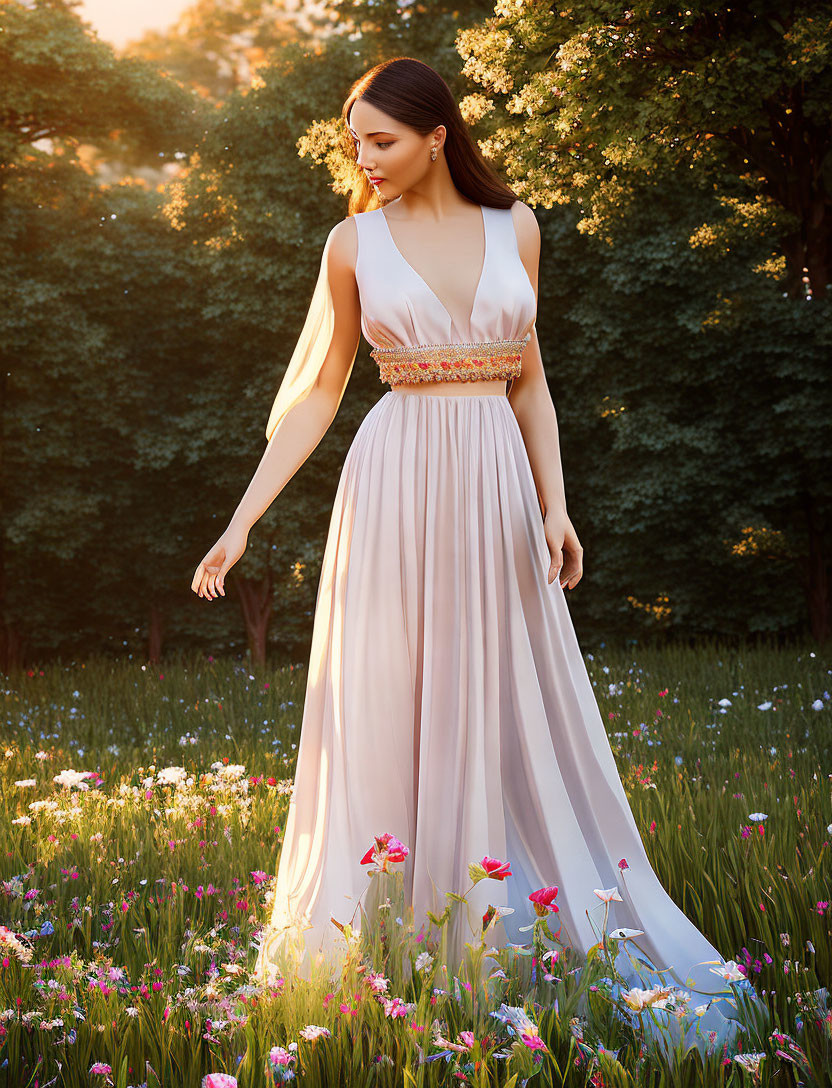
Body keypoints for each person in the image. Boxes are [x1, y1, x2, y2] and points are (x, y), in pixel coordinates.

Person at [191, 57, 746, 1049]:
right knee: (395, 689)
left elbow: (529, 381)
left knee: (499, 688)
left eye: (382, 141)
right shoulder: (352, 243)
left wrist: (556, 506)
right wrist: (243, 517)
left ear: (437, 135)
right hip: (396, 479)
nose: (363, 158)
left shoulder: (515, 228)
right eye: (354, 142)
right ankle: (403, 937)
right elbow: (321, 391)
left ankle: (498, 921)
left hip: (493, 476)